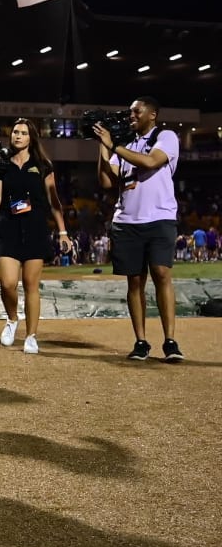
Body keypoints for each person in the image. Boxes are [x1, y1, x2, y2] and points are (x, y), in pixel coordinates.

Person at [93, 97, 183, 361]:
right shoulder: (126, 145)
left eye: (136, 111)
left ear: (152, 113)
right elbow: (106, 182)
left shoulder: (165, 136)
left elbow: (151, 162)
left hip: (160, 217)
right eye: (130, 111)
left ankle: (170, 340)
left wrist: (115, 145)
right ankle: (141, 341)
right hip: (127, 220)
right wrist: (103, 147)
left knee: (161, 273)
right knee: (134, 280)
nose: (131, 115)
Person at [0, 119, 72, 354]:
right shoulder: (2, 164)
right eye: (15, 132)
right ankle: (12, 319)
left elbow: (54, 202)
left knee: (32, 285)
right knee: (8, 283)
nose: (18, 136)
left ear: (31, 138)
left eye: (23, 133)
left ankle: (31, 336)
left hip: (35, 228)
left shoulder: (42, 165)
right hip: (8, 228)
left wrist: (63, 231)